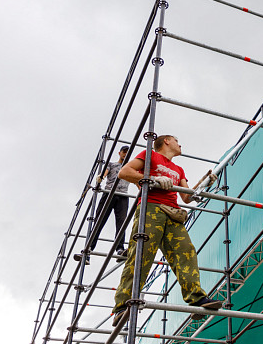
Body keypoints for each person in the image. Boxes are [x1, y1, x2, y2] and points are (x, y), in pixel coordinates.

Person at [112, 135, 221, 325]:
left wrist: (204, 184)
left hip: (172, 213)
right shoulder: (150, 155)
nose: (180, 144)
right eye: (177, 140)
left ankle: (196, 299)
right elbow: (124, 172)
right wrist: (152, 179)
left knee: (186, 253)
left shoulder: (179, 169)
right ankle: (122, 305)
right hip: (151, 208)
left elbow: (186, 197)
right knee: (141, 254)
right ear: (167, 142)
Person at [90, 145, 131, 259]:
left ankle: (120, 249)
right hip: (109, 193)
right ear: (119, 153)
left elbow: (136, 179)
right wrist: (100, 177)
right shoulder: (112, 164)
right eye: (123, 152)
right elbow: (105, 172)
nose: (125, 154)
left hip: (122, 195)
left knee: (121, 223)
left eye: (127, 152)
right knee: (99, 220)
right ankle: (89, 247)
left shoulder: (130, 167)